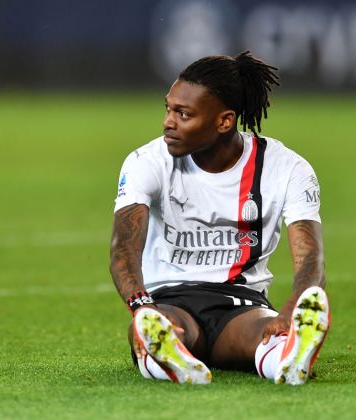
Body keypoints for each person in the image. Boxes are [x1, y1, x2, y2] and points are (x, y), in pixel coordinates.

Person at [109, 51, 330, 385]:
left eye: (183, 114)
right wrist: (142, 306)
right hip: (169, 300)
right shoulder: (147, 161)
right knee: (151, 329)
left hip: (241, 304)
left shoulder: (287, 168)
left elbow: (310, 255)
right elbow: (123, 248)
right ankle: (170, 353)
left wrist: (289, 311)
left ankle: (289, 358)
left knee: (266, 333)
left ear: (224, 121)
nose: (168, 122)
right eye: (168, 109)